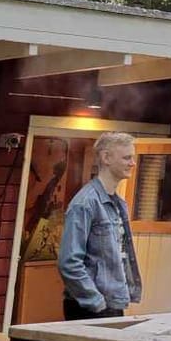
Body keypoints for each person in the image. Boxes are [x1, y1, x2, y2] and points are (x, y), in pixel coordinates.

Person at [58, 132, 142, 318]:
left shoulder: (119, 203)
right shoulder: (85, 203)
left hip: (112, 302)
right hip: (88, 306)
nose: (132, 163)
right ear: (106, 158)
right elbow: (69, 262)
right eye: (127, 157)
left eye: (133, 158)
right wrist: (96, 302)